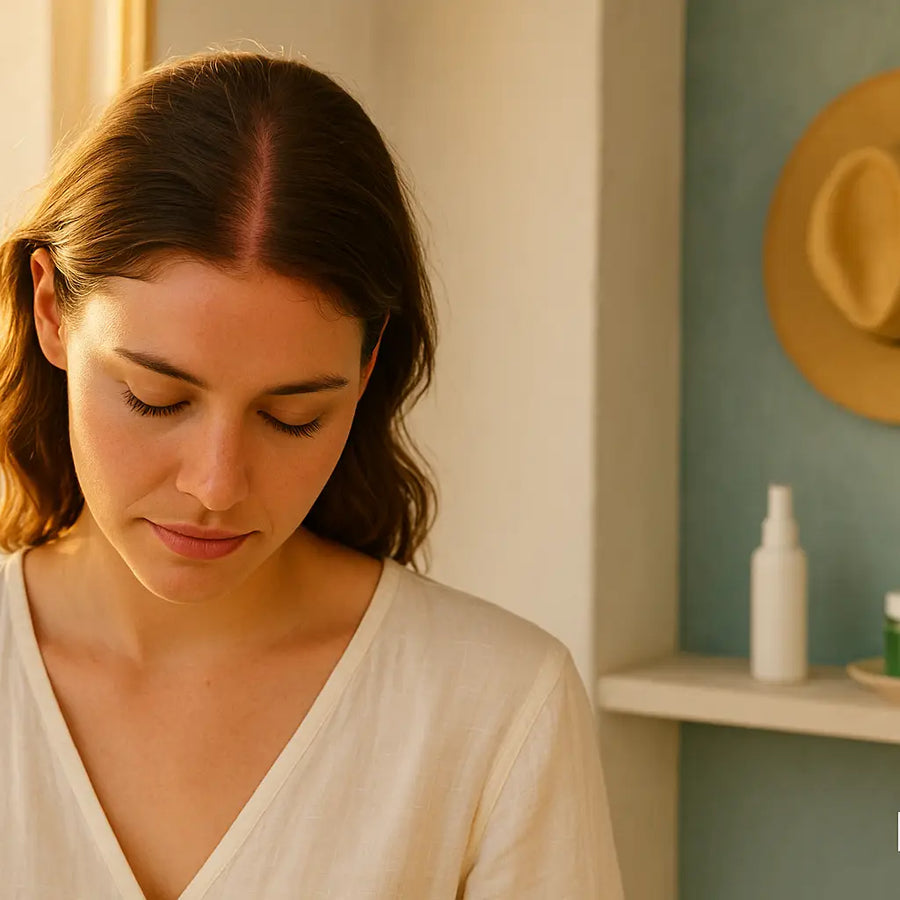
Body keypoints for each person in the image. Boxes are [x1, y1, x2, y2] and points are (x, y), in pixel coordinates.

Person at [0, 49, 623, 899]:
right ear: (50, 312)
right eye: (153, 398)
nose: (216, 485)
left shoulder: (498, 709)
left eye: (293, 417)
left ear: (366, 374)